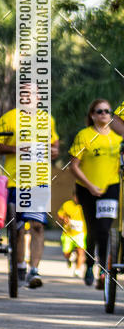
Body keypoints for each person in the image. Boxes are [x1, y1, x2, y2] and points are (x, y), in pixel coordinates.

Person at [0, 85, 59, 289]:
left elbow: (55, 145)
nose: (29, 97)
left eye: (33, 93)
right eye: (24, 93)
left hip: (39, 181)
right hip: (15, 181)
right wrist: (17, 149)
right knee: (18, 228)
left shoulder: (47, 119)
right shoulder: (9, 117)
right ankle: (19, 265)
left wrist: (54, 151)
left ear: (39, 97)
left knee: (38, 226)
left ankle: (34, 270)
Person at [69, 99, 121, 289]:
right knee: (91, 229)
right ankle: (89, 265)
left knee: (104, 229)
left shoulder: (118, 139)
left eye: (107, 111)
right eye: (99, 111)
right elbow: (73, 166)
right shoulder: (84, 135)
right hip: (86, 189)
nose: (104, 114)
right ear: (92, 115)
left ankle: (103, 271)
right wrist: (90, 186)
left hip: (110, 188)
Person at [57, 192, 86, 277]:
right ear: (73, 196)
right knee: (66, 253)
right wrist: (64, 218)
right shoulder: (67, 204)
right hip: (68, 233)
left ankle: (77, 269)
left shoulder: (86, 205)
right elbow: (60, 214)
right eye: (76, 196)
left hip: (81, 233)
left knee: (80, 251)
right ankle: (68, 259)